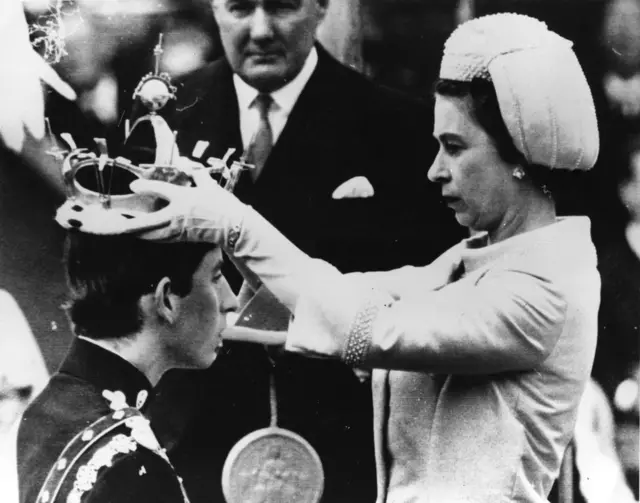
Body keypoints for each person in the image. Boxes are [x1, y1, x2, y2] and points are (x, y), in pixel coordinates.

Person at [128, 12, 602, 503]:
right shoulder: (472, 260)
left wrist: (234, 223)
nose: (435, 171)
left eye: (454, 148)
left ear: (520, 156)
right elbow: (332, 296)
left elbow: (368, 328)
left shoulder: (546, 287)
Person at [147, 1, 462, 502]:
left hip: (339, 440)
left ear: (321, 7)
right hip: (190, 439)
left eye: (283, 6)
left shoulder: (397, 127)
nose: (261, 29)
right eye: (239, 7)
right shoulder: (161, 113)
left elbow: (428, 300)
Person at [17, 224, 238, 503]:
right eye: (216, 277)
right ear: (166, 300)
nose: (231, 301)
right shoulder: (133, 467)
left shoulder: (41, 412)